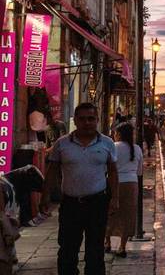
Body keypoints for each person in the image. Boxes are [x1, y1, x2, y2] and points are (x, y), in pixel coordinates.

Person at [40, 102, 119, 275]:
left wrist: (115, 198)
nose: (87, 123)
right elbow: (52, 171)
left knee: (95, 251)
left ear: (97, 120)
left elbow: (113, 171)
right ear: (75, 120)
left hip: (97, 203)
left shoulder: (107, 143)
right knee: (68, 250)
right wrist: (45, 196)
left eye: (91, 119)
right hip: (71, 205)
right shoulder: (62, 144)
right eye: (82, 119)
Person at [105, 123, 142, 257]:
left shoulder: (113, 147)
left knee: (110, 213)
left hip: (114, 183)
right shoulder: (137, 148)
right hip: (132, 184)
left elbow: (106, 168)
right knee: (128, 214)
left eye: (115, 133)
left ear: (119, 134)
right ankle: (122, 247)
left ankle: (107, 242)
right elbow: (139, 171)